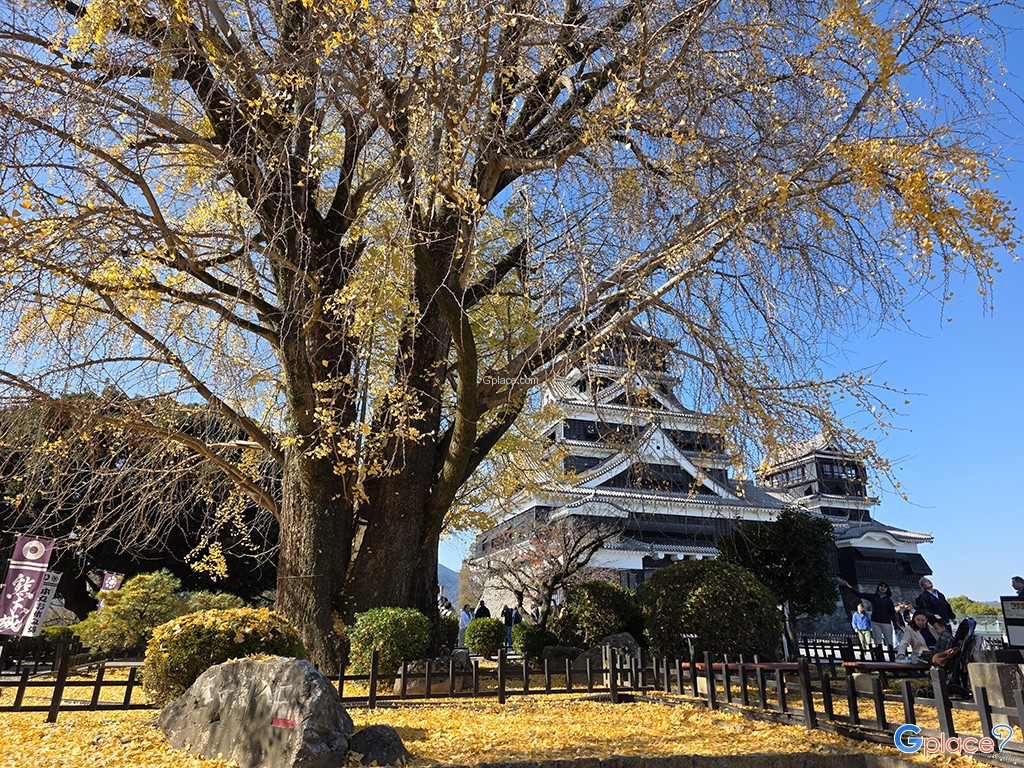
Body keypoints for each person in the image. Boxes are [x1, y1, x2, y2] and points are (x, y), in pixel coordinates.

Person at [840, 579, 904, 646]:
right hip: (875, 622)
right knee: (877, 642)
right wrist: (849, 586)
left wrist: (895, 626)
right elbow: (859, 594)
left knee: (889, 642)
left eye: (885, 587)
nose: (882, 587)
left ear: (887, 589)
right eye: (881, 586)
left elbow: (892, 614)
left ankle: (891, 655)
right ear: (878, 587)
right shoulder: (874, 597)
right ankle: (879, 655)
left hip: (886, 622)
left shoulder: (889, 601)